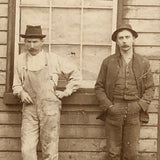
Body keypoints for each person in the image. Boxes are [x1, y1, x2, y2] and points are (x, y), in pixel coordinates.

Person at [12, 25, 82, 160]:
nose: (31, 45)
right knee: (27, 149)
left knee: (50, 148)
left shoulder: (53, 59)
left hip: (50, 107)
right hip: (29, 108)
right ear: (25, 42)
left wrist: (66, 92)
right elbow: (16, 85)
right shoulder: (20, 60)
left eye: (35, 41)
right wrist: (21, 92)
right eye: (28, 42)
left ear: (42, 42)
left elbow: (76, 75)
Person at [95, 23, 155, 160]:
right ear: (116, 42)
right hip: (114, 108)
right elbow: (99, 87)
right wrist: (109, 106)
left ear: (133, 39)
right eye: (120, 38)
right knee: (113, 152)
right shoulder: (108, 62)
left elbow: (150, 88)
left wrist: (140, 105)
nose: (124, 41)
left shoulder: (143, 62)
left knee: (132, 153)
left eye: (127, 37)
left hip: (134, 109)